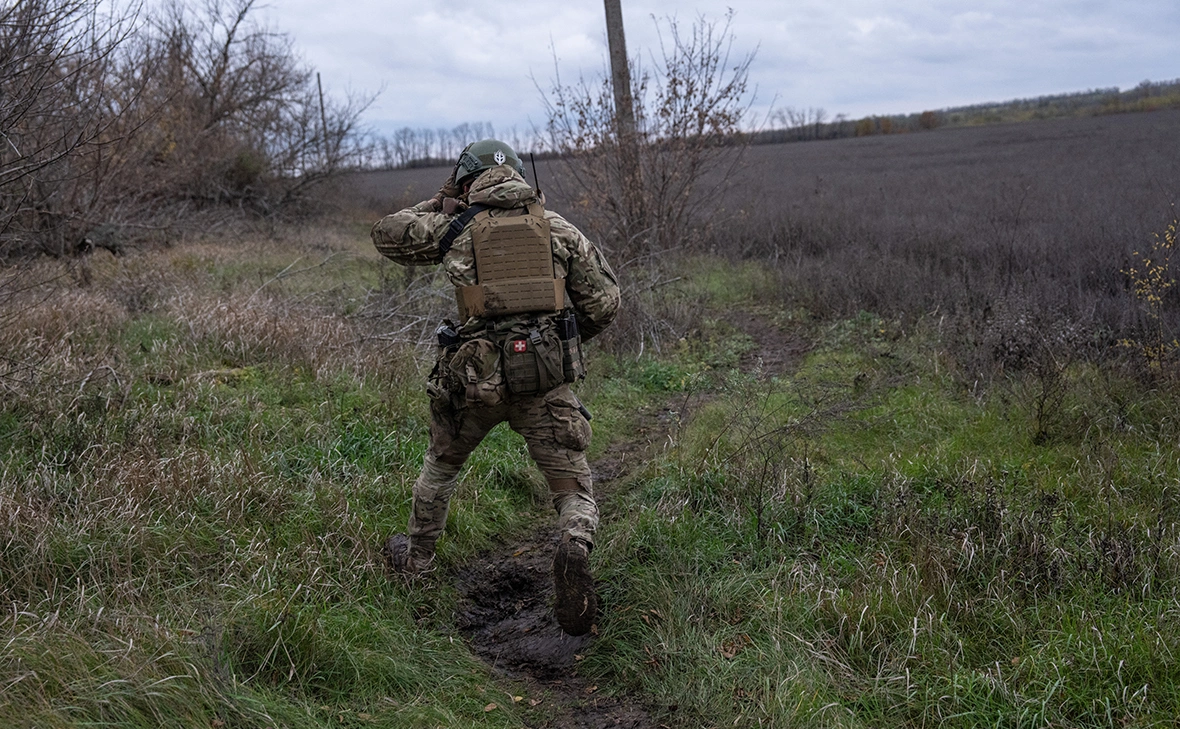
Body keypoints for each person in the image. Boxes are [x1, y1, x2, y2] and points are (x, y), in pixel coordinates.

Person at [370, 139, 620, 636]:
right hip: (544, 383)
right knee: (575, 489)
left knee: (440, 469)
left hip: (474, 380)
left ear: (467, 182)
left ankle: (417, 565)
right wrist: (561, 342)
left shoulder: (453, 228)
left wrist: (440, 200)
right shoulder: (558, 229)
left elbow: (385, 235)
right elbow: (606, 303)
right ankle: (573, 544)